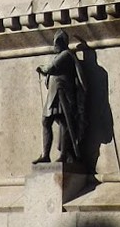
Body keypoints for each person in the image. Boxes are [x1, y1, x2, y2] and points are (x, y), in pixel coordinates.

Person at [34, 30, 86, 163]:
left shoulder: (66, 54)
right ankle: (45, 155)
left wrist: (42, 68)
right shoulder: (59, 55)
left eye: (56, 42)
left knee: (64, 122)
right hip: (53, 95)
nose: (54, 45)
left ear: (61, 42)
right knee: (46, 121)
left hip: (62, 94)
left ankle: (64, 154)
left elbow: (51, 68)